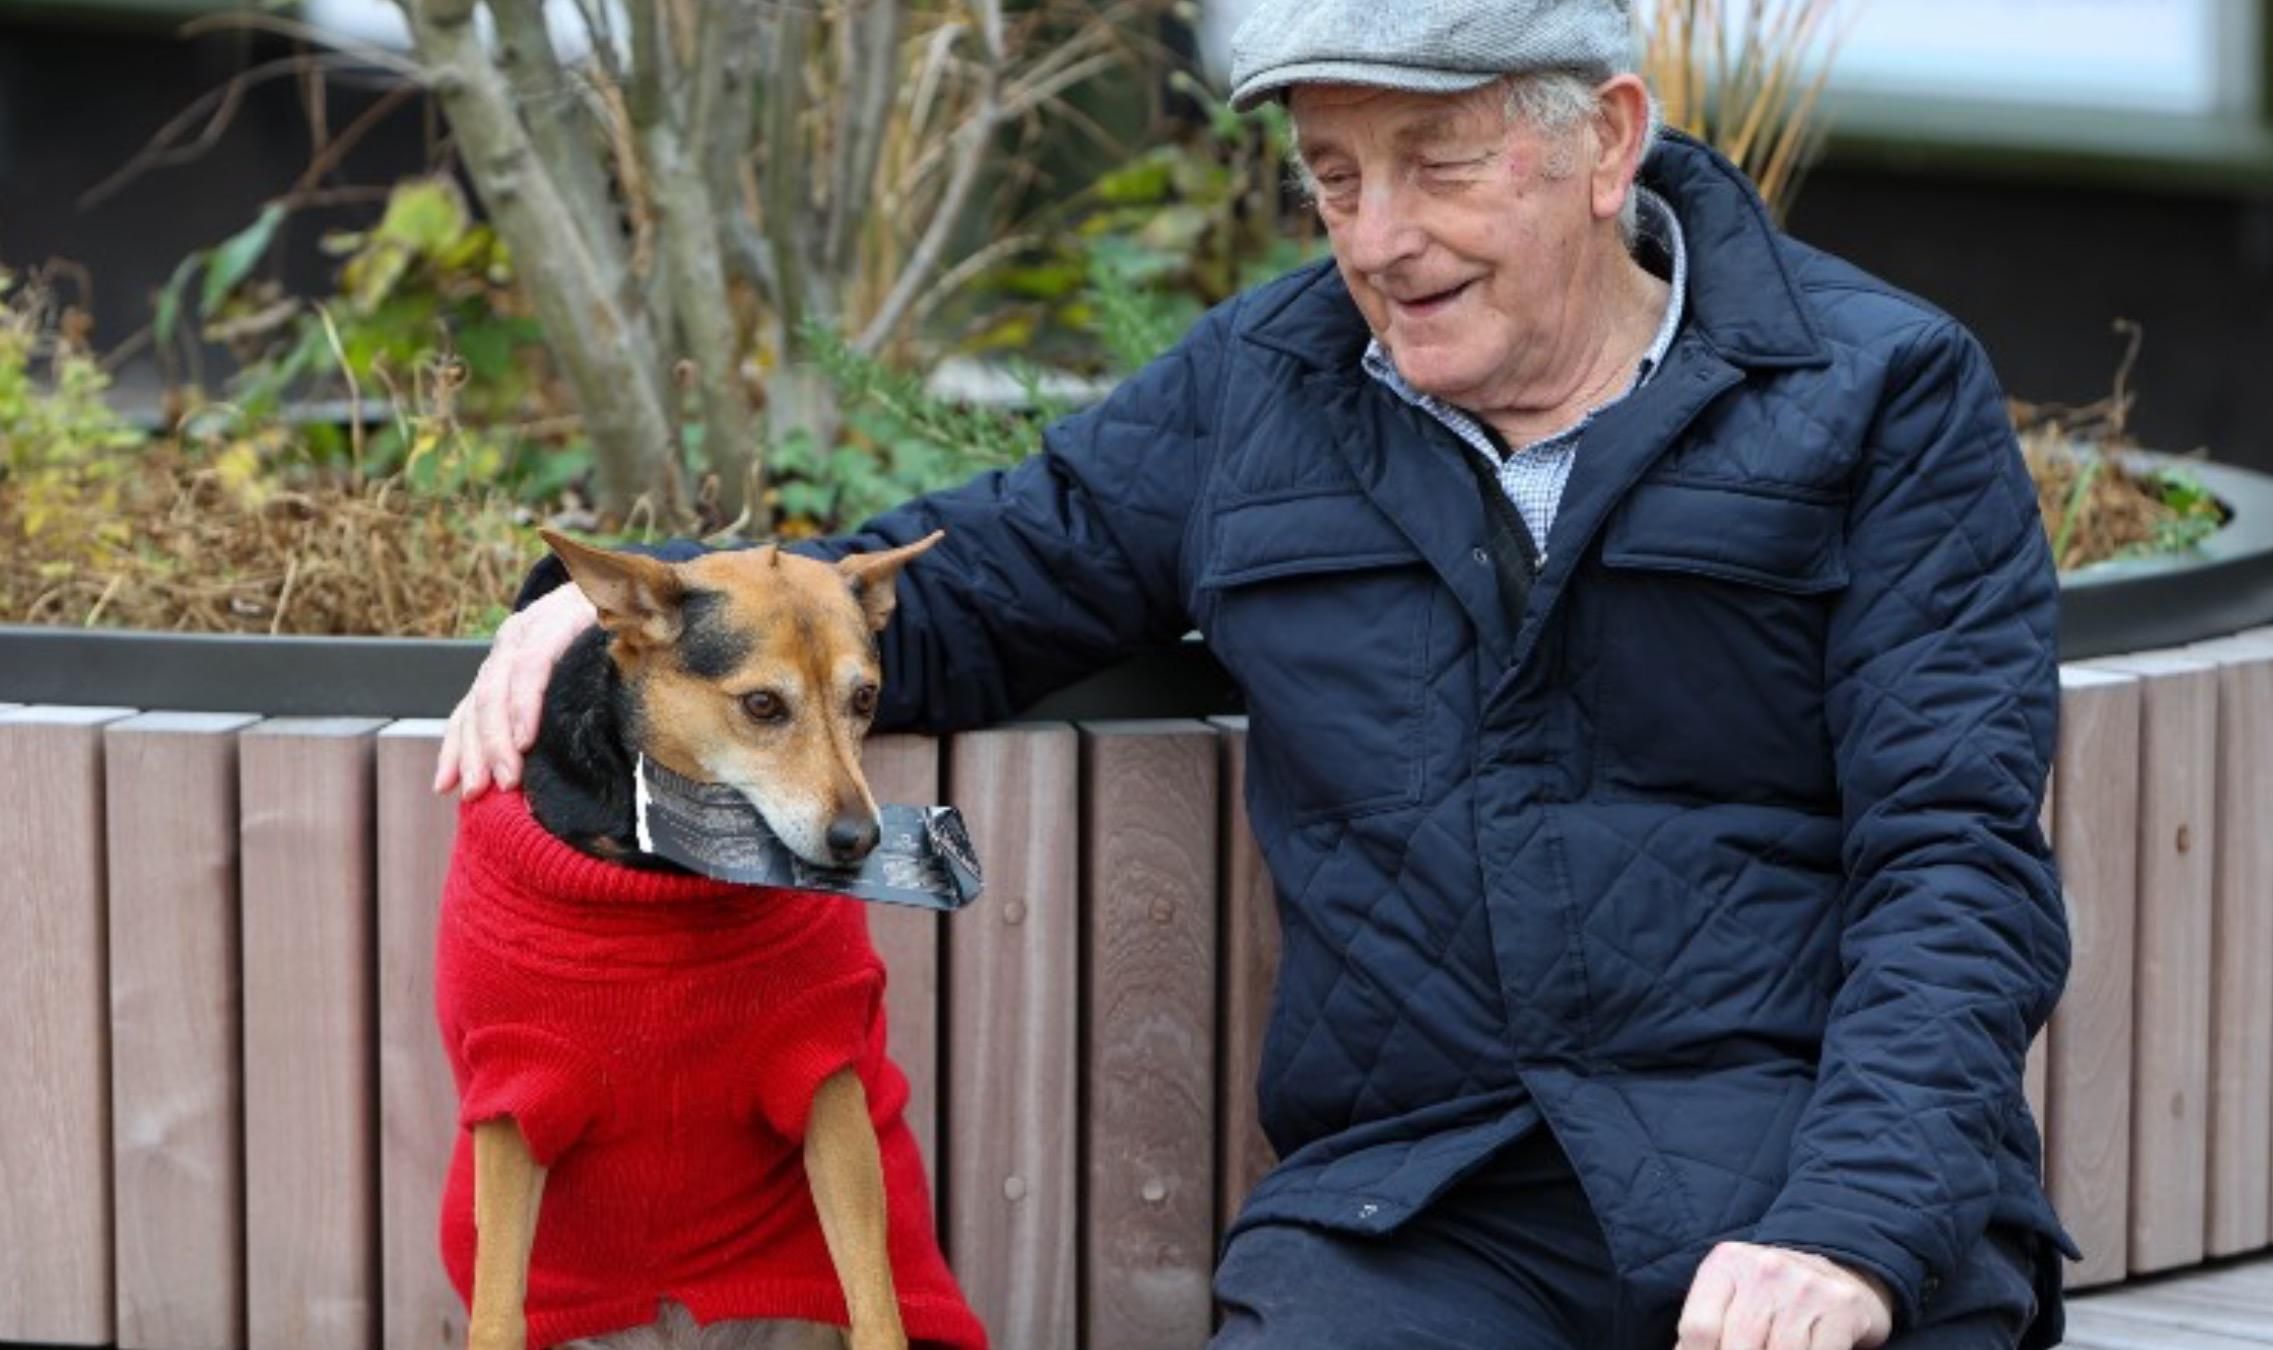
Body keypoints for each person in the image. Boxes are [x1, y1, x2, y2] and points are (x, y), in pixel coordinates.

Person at [438, 3, 2075, 1345]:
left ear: (1607, 144)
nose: (1381, 238)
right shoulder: (1263, 389)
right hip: (1424, 1211)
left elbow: (1958, 861)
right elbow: (963, 582)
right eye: (1333, 179)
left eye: (1436, 166)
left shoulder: (1880, 400)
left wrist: (1850, 1235)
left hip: (1796, 1180)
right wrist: (592, 618)